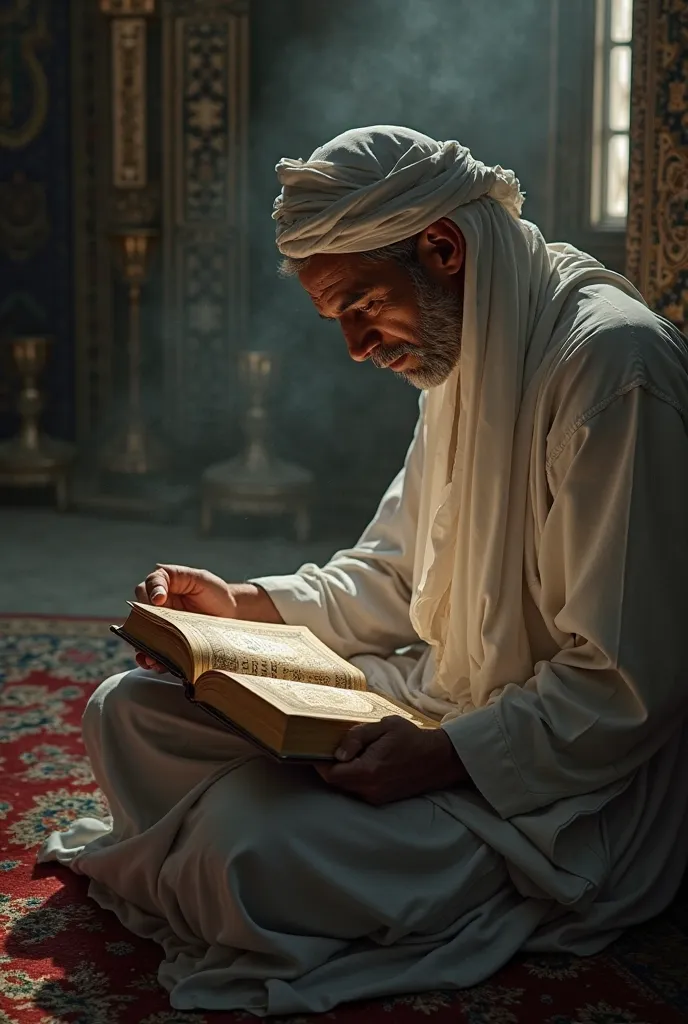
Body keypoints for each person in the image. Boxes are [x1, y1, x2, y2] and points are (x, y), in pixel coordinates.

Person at [40, 126, 688, 1016]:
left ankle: (286, 837)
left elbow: (623, 686)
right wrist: (246, 605)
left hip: (555, 784)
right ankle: (291, 821)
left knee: (244, 851)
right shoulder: (464, 351)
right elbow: (392, 577)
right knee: (129, 712)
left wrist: (445, 757)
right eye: (333, 319)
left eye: (361, 306)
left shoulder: (613, 370)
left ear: (443, 248)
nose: (355, 346)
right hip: (430, 698)